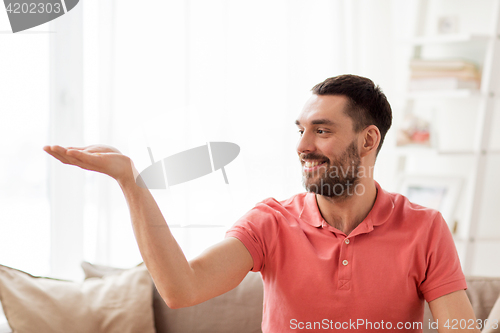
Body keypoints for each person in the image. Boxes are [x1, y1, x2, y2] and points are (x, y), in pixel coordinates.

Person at [44, 74, 480, 332]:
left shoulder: (424, 228)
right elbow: (182, 289)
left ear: (368, 140)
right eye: (301, 130)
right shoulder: (270, 222)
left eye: (322, 131)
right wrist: (131, 184)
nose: (303, 146)